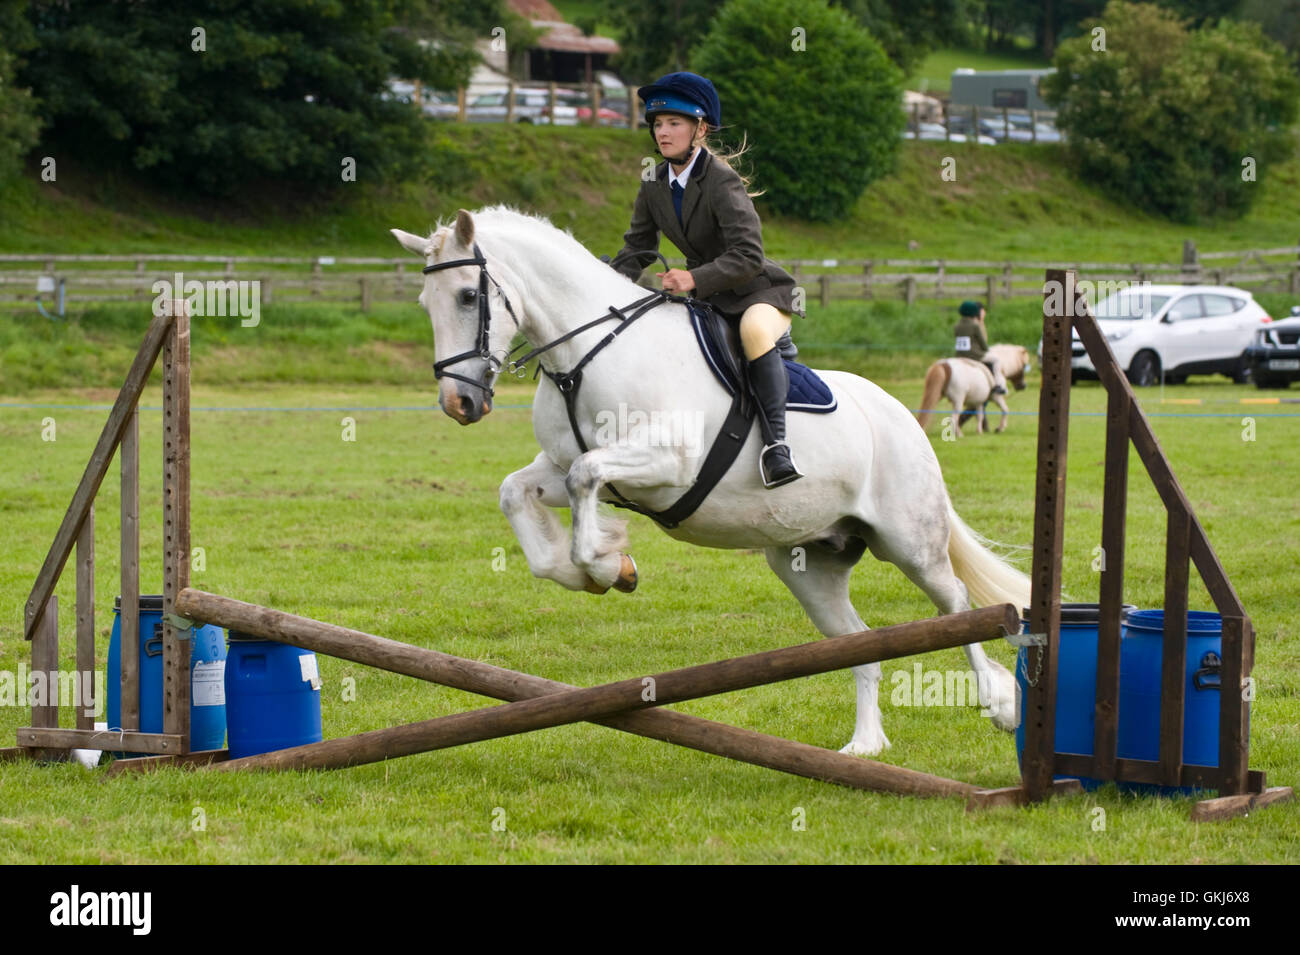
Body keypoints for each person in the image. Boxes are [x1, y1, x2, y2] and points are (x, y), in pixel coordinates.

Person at [610, 71, 804, 489]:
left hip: (759, 292)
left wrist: (694, 279)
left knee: (753, 329)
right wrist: (602, 291)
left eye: (674, 123)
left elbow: (749, 255)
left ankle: (776, 448)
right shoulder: (653, 181)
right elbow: (638, 249)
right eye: (658, 124)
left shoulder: (721, 180)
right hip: (707, 296)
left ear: (700, 128)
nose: (663, 133)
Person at [953, 300, 1007, 395]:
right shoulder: (975, 325)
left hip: (959, 354)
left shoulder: (957, 326)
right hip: (974, 355)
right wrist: (986, 349)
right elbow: (983, 344)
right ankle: (998, 384)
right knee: (996, 360)